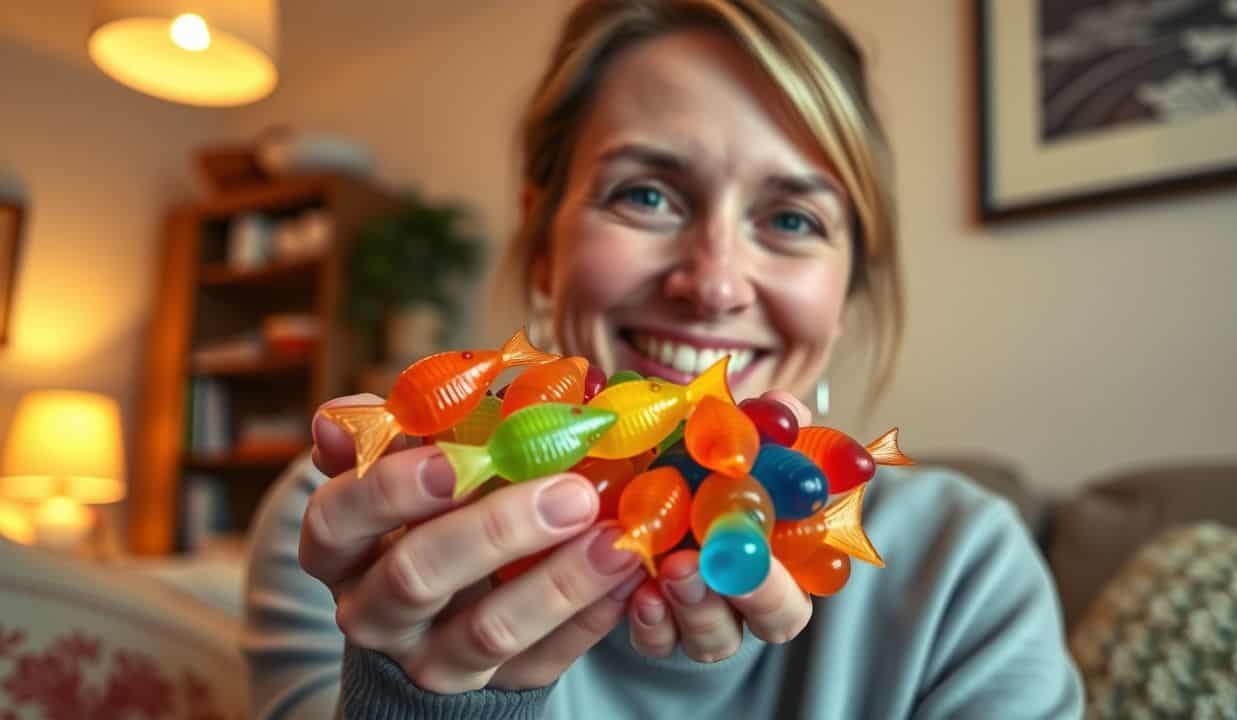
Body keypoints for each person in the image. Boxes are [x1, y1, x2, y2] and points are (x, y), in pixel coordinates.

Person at [241, 1, 1085, 718]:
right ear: (544, 244)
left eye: (792, 219)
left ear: (848, 286)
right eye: (645, 195)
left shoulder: (966, 572)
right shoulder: (363, 514)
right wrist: (425, 699)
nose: (714, 285)